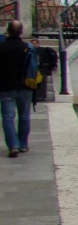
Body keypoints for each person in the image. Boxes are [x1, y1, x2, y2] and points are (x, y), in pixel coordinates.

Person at [0, 20, 32, 157]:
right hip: (25, 86)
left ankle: (13, 146)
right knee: (24, 116)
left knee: (8, 117)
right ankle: (23, 144)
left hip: (6, 87)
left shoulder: (1, 47)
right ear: (21, 32)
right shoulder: (27, 47)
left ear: (8, 31)